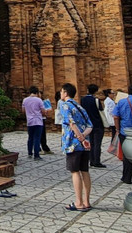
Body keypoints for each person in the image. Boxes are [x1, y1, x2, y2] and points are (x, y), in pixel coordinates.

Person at [59, 82, 93, 211]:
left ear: (65, 93)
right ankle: (87, 201)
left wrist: (79, 137)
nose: (61, 93)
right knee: (85, 171)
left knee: (75, 172)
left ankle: (79, 203)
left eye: (61, 91)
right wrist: (84, 136)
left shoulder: (64, 105)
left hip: (73, 143)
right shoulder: (80, 107)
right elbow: (90, 125)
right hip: (85, 143)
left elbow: (71, 123)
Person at [81, 84, 106, 168]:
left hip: (88, 124)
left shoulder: (83, 100)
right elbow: (101, 111)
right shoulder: (96, 100)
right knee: (97, 144)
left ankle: (91, 160)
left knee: (91, 143)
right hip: (97, 123)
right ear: (96, 91)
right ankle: (96, 161)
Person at [22, 86, 44, 160]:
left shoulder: (25, 100)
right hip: (38, 121)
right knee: (37, 138)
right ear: (37, 92)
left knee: (30, 138)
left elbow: (23, 111)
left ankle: (29, 153)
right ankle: (36, 155)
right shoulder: (39, 100)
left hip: (29, 121)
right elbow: (43, 111)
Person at [39, 90, 54, 154]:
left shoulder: (43, 101)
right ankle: (38, 149)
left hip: (42, 119)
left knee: (43, 134)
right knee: (37, 135)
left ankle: (45, 148)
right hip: (36, 119)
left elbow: (49, 109)